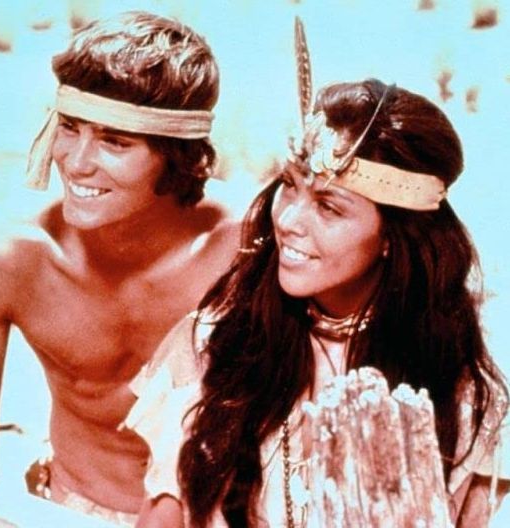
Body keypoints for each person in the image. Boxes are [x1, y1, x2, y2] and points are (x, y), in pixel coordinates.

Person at [125, 76, 510, 527]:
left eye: (329, 207)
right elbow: (162, 514)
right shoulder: (217, 342)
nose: (289, 220)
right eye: (290, 185)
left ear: (392, 237)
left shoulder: (460, 392)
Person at [0, 11, 239, 526]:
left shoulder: (243, 250)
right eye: (69, 129)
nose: (76, 162)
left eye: (115, 142)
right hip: (69, 509)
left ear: (177, 153)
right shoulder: (3, 255)